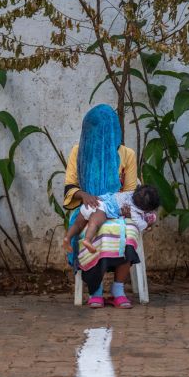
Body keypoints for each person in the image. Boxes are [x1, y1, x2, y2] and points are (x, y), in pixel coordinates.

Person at [64, 104, 146, 309]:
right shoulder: (77, 151)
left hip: (117, 209)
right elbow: (69, 185)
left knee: (128, 232)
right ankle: (96, 290)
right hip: (87, 209)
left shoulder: (127, 154)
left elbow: (130, 191)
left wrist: (124, 209)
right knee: (92, 234)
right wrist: (84, 195)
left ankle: (118, 288)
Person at [62, 185, 160, 254]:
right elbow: (139, 224)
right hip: (102, 209)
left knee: (77, 225)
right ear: (146, 208)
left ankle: (67, 238)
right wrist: (147, 224)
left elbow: (110, 195)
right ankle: (87, 240)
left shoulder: (129, 194)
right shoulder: (133, 211)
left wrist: (97, 197)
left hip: (93, 202)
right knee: (94, 224)